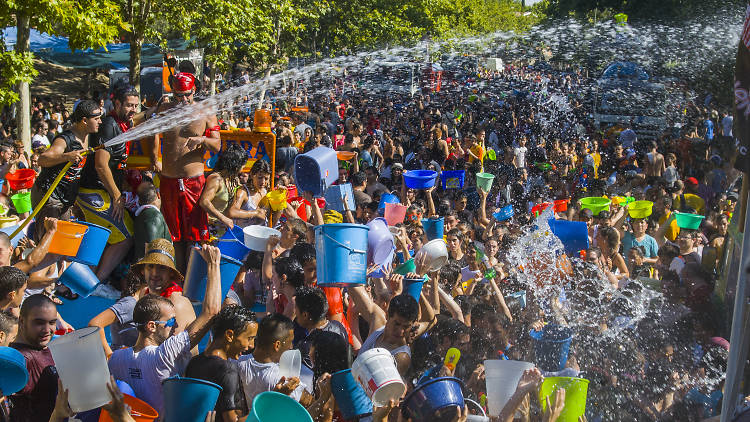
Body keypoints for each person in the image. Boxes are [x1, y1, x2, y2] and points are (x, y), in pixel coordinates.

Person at [107, 244, 222, 416]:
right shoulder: (164, 354)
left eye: (161, 268)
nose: (176, 325)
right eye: (171, 322)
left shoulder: (116, 359)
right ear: (151, 326)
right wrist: (213, 264)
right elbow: (211, 313)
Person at [151, 72, 221, 272]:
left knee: (196, 236)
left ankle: (193, 280)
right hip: (169, 180)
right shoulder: (165, 110)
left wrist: (203, 140)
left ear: (194, 91)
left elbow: (217, 145)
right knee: (174, 236)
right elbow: (151, 130)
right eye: (178, 95)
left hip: (193, 182)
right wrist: (153, 158)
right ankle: (179, 278)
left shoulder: (206, 112)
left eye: (187, 95)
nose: (183, 99)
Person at [76, 87, 139, 282]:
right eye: (129, 105)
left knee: (98, 238)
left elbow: (138, 118)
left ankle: (80, 284)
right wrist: (117, 196)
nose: (133, 110)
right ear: (117, 104)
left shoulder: (120, 122)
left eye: (136, 105)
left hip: (97, 191)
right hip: (95, 192)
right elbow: (101, 165)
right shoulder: (109, 125)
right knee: (126, 235)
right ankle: (97, 283)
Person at [31, 100, 101, 242]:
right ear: (84, 120)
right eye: (96, 118)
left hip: (65, 199)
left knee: (62, 243)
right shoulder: (65, 139)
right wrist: (66, 156)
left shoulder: (89, 136)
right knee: (48, 242)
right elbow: (42, 159)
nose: (100, 121)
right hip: (49, 195)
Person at [185, 305, 257, 422]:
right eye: (249, 338)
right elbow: (232, 420)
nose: (252, 345)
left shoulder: (194, 362)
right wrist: (267, 406)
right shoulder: (228, 370)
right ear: (229, 335)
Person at [238, 313, 316, 408]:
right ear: (277, 345)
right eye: (290, 342)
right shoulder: (284, 380)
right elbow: (313, 405)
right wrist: (325, 393)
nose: (291, 347)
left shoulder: (238, 363)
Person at [8, 294, 59, 422]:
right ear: (22, 321)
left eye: (52, 322)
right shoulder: (20, 360)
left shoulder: (43, 347)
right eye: (39, 322)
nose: (47, 330)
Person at [132, 239, 197, 335]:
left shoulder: (177, 304)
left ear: (171, 273)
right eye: (150, 266)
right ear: (143, 270)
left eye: (161, 267)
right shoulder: (144, 293)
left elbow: (174, 348)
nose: (155, 273)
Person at [199, 143, 248, 237]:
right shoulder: (216, 179)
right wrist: (223, 218)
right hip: (209, 230)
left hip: (222, 230)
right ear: (235, 165)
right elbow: (204, 202)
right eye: (242, 166)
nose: (242, 170)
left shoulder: (232, 179)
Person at [292, 286, 348, 367]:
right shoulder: (338, 327)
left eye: (295, 309)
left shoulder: (307, 346)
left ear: (305, 315)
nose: (294, 312)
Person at [133, 181, 171, 260]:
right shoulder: (153, 216)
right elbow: (152, 249)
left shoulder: (142, 215)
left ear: (139, 201)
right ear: (158, 195)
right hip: (157, 268)